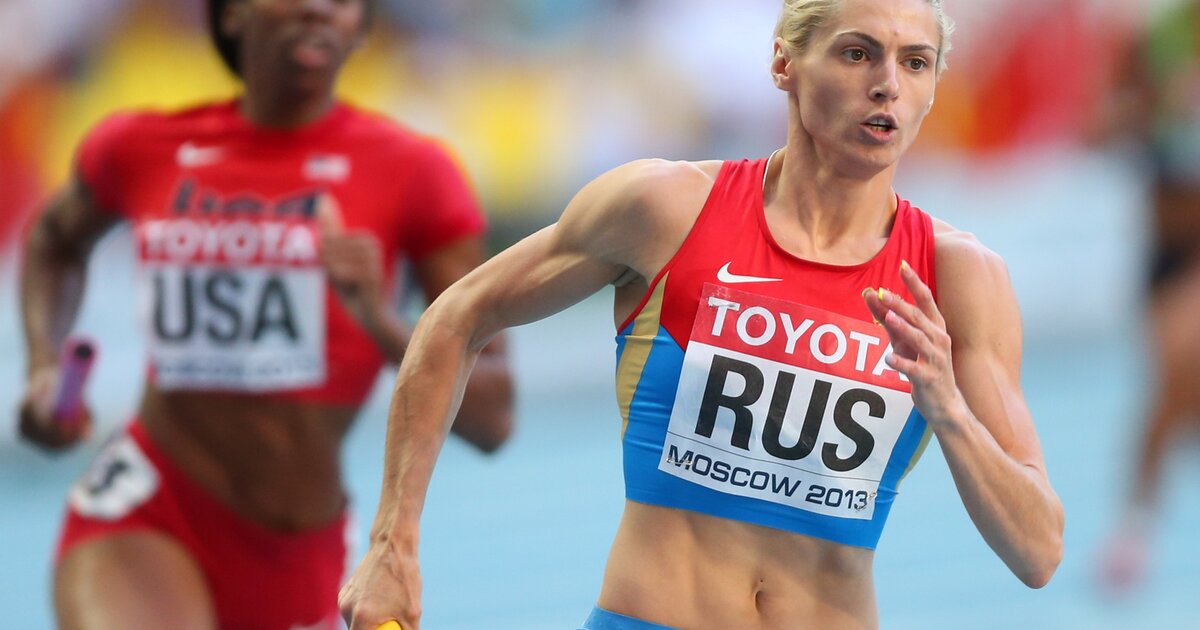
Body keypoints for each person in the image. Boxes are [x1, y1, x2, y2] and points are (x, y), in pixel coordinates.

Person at [339, 0, 1065, 628]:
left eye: (915, 63)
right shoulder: (666, 210)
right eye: (857, 53)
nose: (888, 85)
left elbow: (1038, 551)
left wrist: (950, 412)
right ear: (784, 63)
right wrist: (391, 544)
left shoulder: (956, 278)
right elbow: (456, 316)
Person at [16, 0, 513, 628]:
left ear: (359, 27)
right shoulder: (138, 146)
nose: (316, 8)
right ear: (230, 15)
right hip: (150, 509)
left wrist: (378, 318)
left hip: (303, 550)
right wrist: (44, 366)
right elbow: (54, 241)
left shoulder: (417, 174)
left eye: (341, 0)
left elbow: (493, 418)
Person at [1097, 0, 1200, 594]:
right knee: (1175, 398)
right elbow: (1100, 127)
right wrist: (1143, 114)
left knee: (1186, 357)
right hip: (1168, 248)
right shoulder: (1156, 40)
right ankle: (1135, 524)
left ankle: (1134, 530)